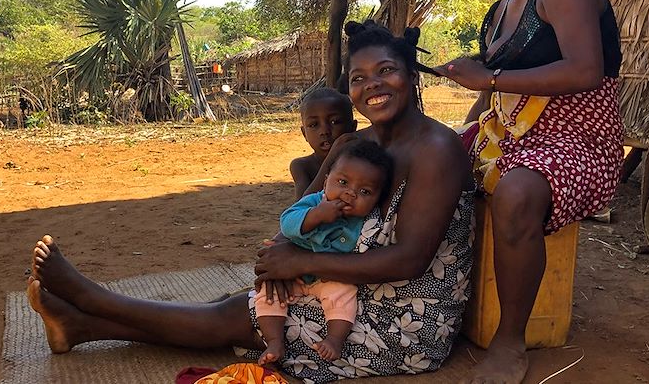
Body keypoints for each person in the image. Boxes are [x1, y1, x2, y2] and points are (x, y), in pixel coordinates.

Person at [26, 20, 476, 384]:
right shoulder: (356, 145)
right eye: (359, 78)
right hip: (353, 282)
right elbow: (301, 212)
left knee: (234, 314)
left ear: (412, 76)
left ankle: (91, 299)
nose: (372, 85)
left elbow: (410, 260)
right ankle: (81, 326)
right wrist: (280, 252)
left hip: (407, 316)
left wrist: (297, 264)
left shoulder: (437, 149)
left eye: (386, 71)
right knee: (253, 301)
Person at [435, 0, 624, 384]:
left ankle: (509, 340)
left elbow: (587, 69)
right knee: (422, 159)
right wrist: (462, 134)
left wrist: (490, 76)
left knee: (516, 192)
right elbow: (489, 97)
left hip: (579, 133)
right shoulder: (497, 13)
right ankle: (415, 307)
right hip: (509, 130)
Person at [256, 139, 393, 364]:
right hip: (293, 275)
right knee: (268, 296)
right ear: (326, 178)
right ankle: (274, 341)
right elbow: (287, 223)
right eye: (342, 182)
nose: (350, 194)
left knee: (344, 295)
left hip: (330, 278)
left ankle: (334, 340)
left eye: (365, 191)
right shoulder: (314, 201)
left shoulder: (365, 221)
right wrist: (315, 216)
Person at [289, 88, 357, 198]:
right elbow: (302, 206)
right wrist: (331, 158)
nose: (324, 131)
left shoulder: (360, 163)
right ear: (304, 134)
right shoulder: (302, 166)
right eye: (313, 125)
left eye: (334, 122)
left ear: (353, 127)